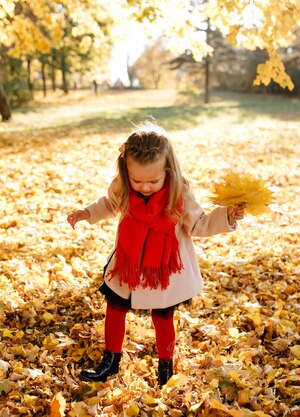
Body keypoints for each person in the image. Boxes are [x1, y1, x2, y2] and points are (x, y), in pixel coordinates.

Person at [67, 122, 246, 386]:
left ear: (168, 170)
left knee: (162, 316)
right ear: (126, 171)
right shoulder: (124, 185)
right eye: (137, 180)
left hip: (163, 269)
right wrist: (88, 212)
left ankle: (166, 368)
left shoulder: (179, 192)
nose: (145, 187)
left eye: (153, 181)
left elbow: (200, 224)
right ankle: (110, 361)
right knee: (115, 307)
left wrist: (227, 215)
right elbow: (110, 203)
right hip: (129, 262)